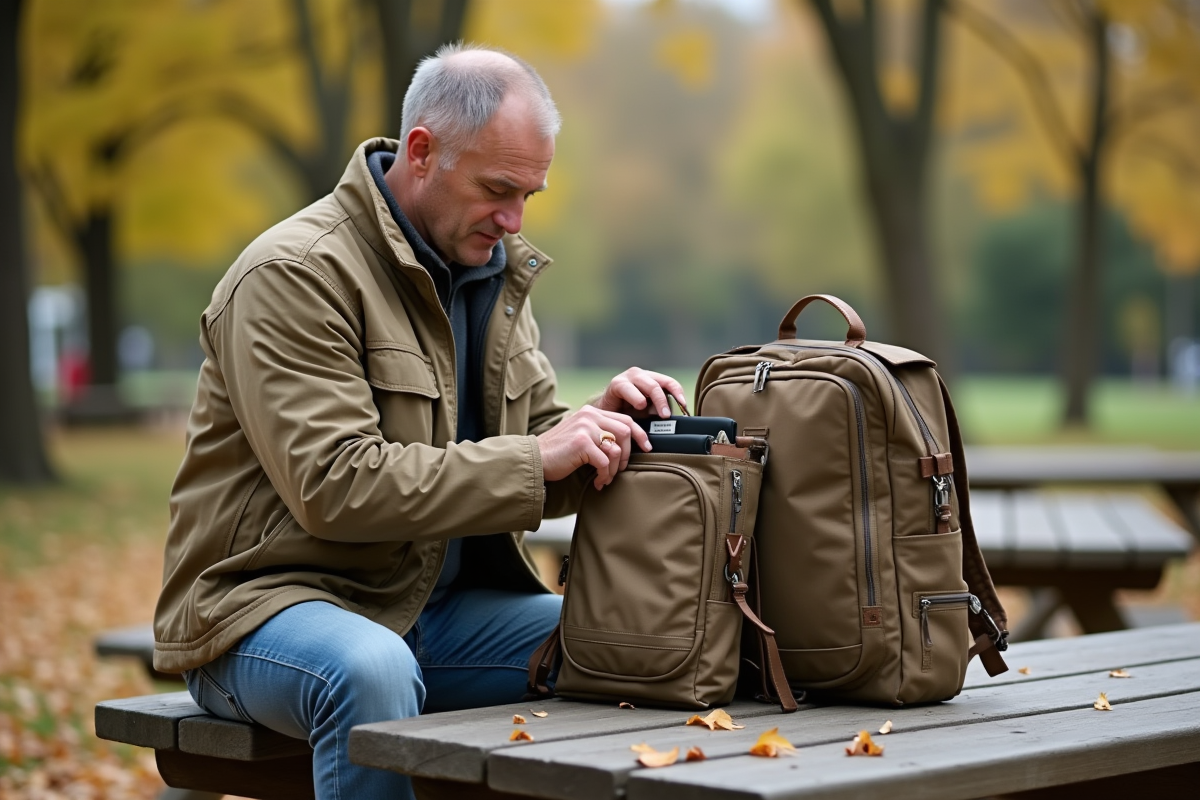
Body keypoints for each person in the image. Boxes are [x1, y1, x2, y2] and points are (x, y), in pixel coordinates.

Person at [152, 43, 686, 798]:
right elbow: (335, 486)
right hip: (270, 610)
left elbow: (538, 444)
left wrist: (603, 428)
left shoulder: (490, 269)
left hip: (447, 612)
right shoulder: (294, 274)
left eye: (530, 194)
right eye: (499, 189)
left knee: (644, 645)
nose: (513, 219)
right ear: (423, 150)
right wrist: (540, 457)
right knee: (370, 671)